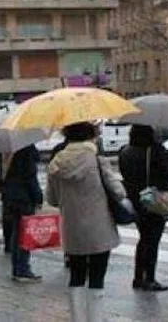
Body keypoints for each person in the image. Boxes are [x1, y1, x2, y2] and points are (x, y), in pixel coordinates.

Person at [47, 122, 124, 322]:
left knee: (76, 275)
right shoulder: (96, 160)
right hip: (99, 227)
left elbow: (52, 199)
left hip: (72, 228)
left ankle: (77, 318)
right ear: (90, 136)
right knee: (97, 276)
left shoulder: (56, 163)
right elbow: (118, 192)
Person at [118, 124, 168, 292]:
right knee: (152, 240)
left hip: (135, 200)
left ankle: (139, 277)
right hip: (152, 200)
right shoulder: (156, 151)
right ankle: (149, 278)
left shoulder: (125, 151)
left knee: (144, 238)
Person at [3, 144, 43, 282]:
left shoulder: (13, 150)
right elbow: (30, 177)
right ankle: (23, 269)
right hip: (24, 198)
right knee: (24, 235)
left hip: (12, 196)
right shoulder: (27, 150)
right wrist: (38, 197)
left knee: (17, 233)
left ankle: (17, 268)